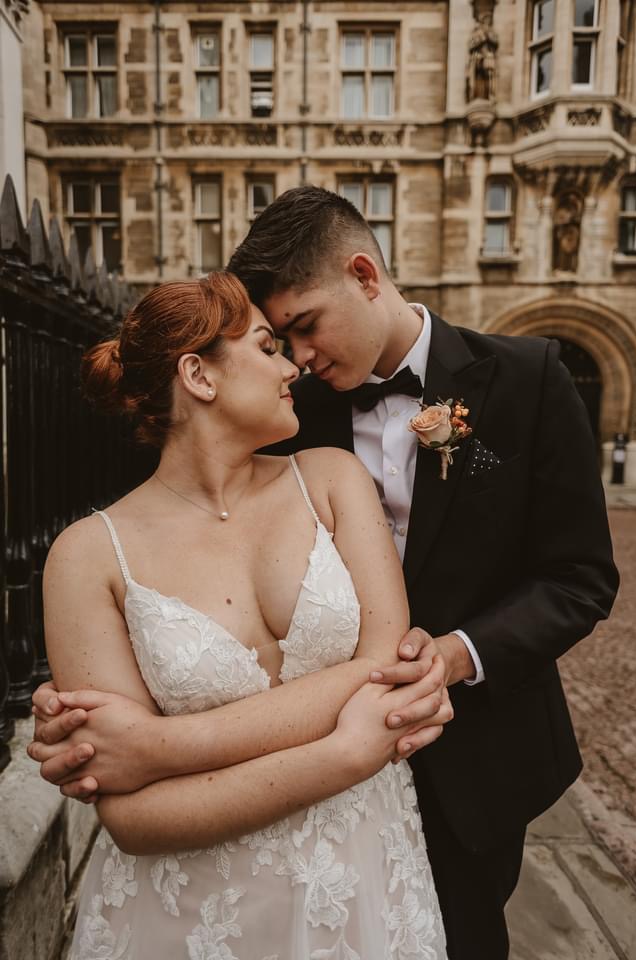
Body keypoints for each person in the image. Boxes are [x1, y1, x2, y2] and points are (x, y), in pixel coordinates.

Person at [32, 186, 619, 959]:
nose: (297, 358)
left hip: (476, 755)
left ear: (364, 274)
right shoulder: (288, 410)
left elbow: (579, 575)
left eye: (303, 328)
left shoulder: (529, 375)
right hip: (253, 795)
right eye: (277, 340)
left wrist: (455, 653)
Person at [36, 271, 451, 959]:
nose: (293, 366)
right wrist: (343, 751)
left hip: (358, 882)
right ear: (198, 375)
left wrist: (158, 747)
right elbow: (135, 820)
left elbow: (384, 671)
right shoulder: (86, 557)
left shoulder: (330, 480)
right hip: (189, 917)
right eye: (267, 347)